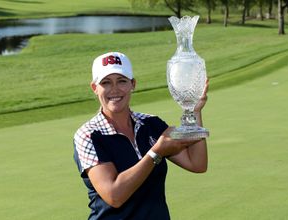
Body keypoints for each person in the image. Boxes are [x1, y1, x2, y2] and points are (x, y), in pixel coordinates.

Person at [73, 51, 208, 220]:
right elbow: (114, 196)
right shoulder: (88, 136)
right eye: (106, 82)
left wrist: (194, 111)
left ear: (133, 84)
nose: (114, 89)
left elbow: (197, 164)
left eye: (122, 81)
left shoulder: (151, 124)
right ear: (95, 88)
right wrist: (156, 152)